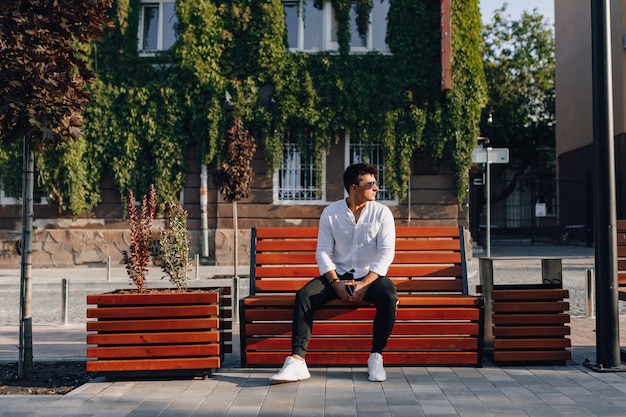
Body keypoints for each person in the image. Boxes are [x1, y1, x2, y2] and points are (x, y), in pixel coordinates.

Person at [269, 163, 397, 384]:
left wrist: (365, 283)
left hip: (370, 277)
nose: (377, 188)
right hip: (337, 275)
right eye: (371, 184)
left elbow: (386, 254)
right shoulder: (331, 213)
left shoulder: (382, 213)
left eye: (376, 183)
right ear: (354, 187)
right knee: (305, 295)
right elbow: (323, 252)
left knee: (389, 295)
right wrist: (335, 282)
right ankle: (297, 361)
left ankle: (376, 356)